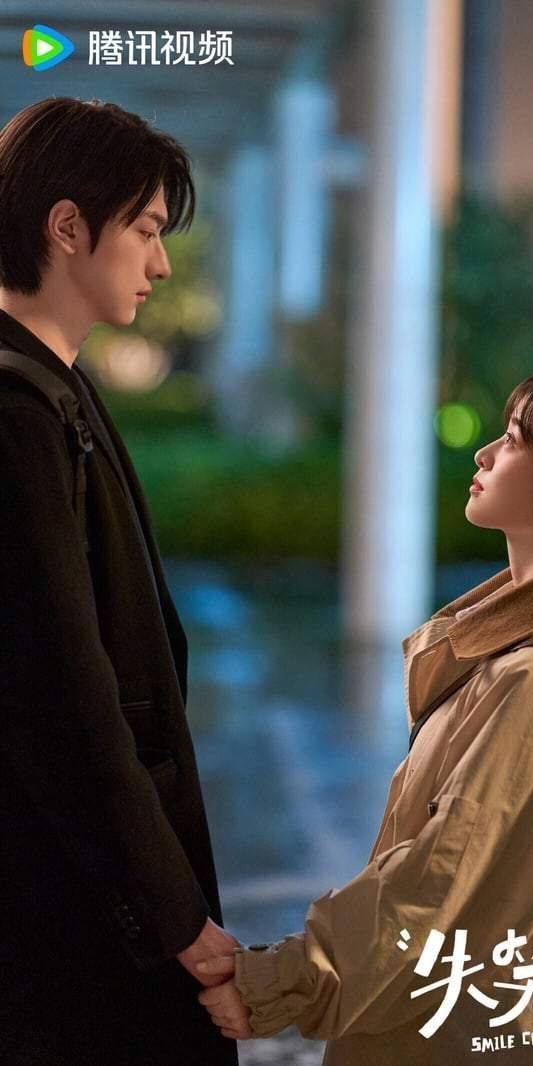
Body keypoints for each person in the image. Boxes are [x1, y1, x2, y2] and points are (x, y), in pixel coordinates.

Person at [196, 369, 533, 1065]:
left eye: (513, 440)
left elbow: (441, 880)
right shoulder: (520, 647)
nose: (484, 455)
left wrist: (282, 984)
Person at [0, 97, 238, 1066]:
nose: (162, 262)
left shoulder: (53, 384)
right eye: (144, 229)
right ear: (67, 226)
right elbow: (63, 693)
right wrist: (170, 911)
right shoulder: (16, 410)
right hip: (68, 901)